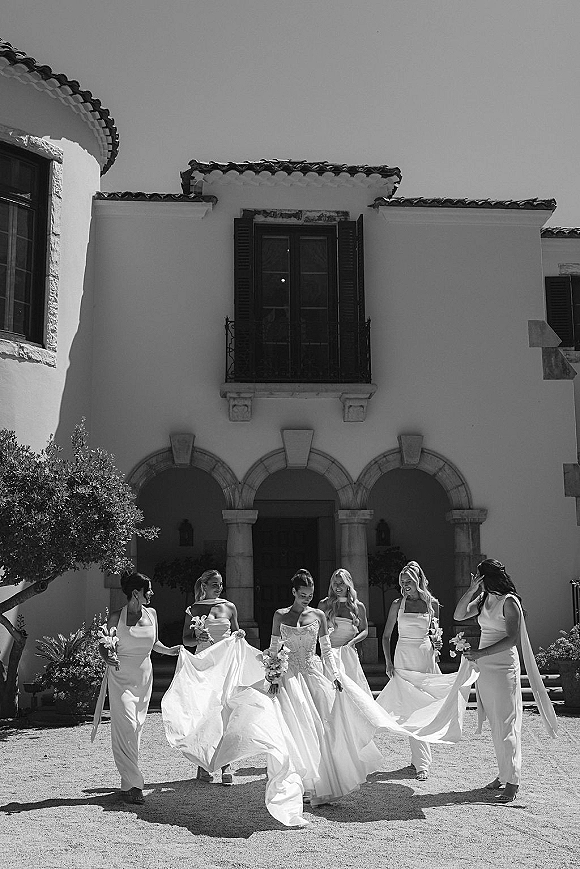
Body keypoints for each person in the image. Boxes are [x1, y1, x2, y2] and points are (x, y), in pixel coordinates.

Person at [267, 568, 387, 806]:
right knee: (294, 729)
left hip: (313, 674)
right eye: (302, 594)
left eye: (310, 595)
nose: (307, 599)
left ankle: (319, 785)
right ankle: (296, 783)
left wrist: (334, 675)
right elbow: (273, 649)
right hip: (289, 678)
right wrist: (273, 677)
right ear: (293, 592)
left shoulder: (319, 615)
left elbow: (326, 648)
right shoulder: (280, 615)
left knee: (320, 729)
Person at [455, 559, 558, 803]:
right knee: (496, 723)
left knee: (508, 722)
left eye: (478, 576)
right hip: (485, 667)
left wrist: (481, 653)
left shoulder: (509, 601)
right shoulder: (482, 600)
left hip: (503, 666)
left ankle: (513, 782)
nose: (476, 579)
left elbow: (513, 639)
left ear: (487, 576)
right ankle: (503, 774)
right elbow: (458, 615)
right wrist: (471, 590)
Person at [91, 573, 180, 804]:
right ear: (136, 593)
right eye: (148, 590)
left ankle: (126, 783)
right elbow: (104, 644)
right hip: (120, 677)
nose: (152, 594)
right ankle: (136, 785)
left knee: (135, 728)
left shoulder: (152, 614)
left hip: (144, 678)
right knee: (127, 725)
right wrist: (107, 656)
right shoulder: (115, 617)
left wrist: (170, 651)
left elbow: (154, 643)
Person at [378, 561, 442, 780]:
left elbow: (436, 634)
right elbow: (386, 636)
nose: (405, 585)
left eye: (409, 582)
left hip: (425, 657)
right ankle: (422, 762)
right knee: (411, 708)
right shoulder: (397, 604)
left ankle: (419, 760)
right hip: (403, 656)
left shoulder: (432, 603)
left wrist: (437, 644)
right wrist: (388, 662)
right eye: (402, 582)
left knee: (423, 706)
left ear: (418, 581)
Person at [181, 569, 243, 785]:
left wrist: (239, 635)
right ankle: (203, 763)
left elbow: (236, 633)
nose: (218, 587)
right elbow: (186, 641)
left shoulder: (229, 607)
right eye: (214, 584)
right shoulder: (195, 608)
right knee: (206, 712)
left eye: (220, 583)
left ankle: (227, 765)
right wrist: (197, 636)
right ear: (204, 586)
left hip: (226, 664)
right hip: (205, 664)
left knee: (226, 711)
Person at [318, 568, 373, 696]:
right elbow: (316, 629)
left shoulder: (358, 606)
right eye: (335, 583)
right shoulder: (324, 604)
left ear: (348, 585)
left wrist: (352, 642)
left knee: (352, 691)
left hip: (348, 654)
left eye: (341, 583)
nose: (337, 586)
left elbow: (365, 630)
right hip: (329, 653)